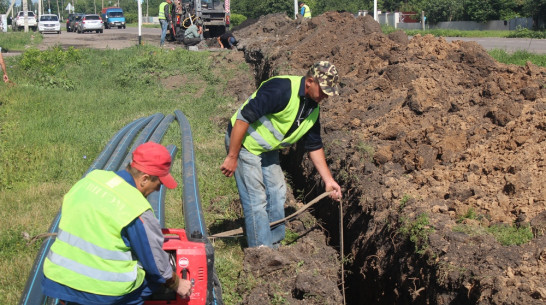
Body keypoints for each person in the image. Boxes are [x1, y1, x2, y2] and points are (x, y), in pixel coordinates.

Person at [42, 142, 192, 305]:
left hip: (58, 278)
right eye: (159, 184)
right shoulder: (136, 209)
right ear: (145, 179)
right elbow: (156, 265)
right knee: (155, 278)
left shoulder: (91, 179)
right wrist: (177, 282)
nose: (158, 190)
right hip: (101, 293)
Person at [220, 61, 342, 248]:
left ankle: (274, 243)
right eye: (324, 91)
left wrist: (328, 180)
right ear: (310, 82)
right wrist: (232, 156)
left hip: (267, 148)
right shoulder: (281, 89)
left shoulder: (312, 108)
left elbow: (314, 146)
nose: (325, 97)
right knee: (256, 199)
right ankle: (261, 252)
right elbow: (244, 118)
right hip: (245, 143)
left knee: (277, 191)